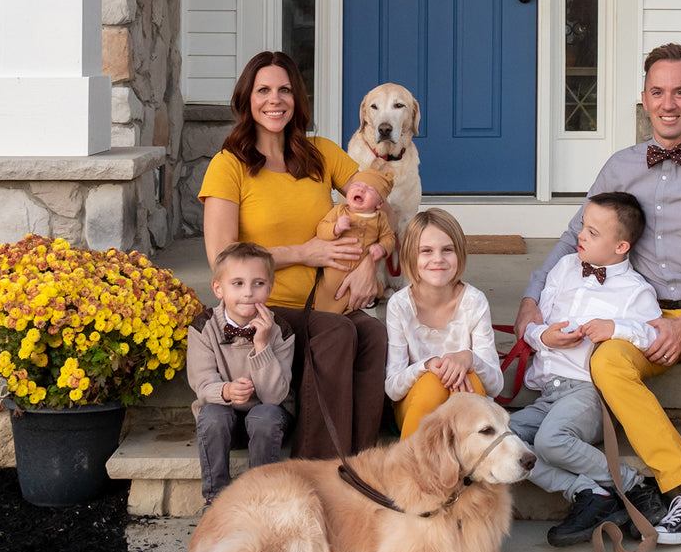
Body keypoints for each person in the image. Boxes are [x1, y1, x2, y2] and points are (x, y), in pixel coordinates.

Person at [514, 43, 681, 552]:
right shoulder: (620, 167)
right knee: (605, 361)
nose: (668, 103)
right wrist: (533, 296)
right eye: (657, 92)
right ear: (643, 100)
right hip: (639, 312)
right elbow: (571, 235)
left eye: (679, 92)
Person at [199, 50, 387, 459]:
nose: (275, 100)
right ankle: (316, 465)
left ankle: (363, 460)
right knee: (338, 334)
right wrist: (306, 251)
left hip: (322, 300)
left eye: (284, 90)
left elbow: (374, 200)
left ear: (297, 98)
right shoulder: (228, 165)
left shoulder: (319, 153)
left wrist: (371, 262)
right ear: (247, 99)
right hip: (265, 309)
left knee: (372, 333)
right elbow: (223, 257)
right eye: (263, 90)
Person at [510, 192, 667, 547]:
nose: (580, 235)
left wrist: (616, 328)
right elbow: (536, 326)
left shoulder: (634, 291)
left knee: (551, 441)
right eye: (583, 226)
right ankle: (585, 491)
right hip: (548, 392)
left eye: (593, 233)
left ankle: (632, 484)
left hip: (588, 394)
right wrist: (543, 336)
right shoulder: (564, 268)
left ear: (621, 246)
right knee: (499, 438)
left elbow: (654, 337)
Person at [186, 242, 294, 504]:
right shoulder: (204, 327)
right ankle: (216, 501)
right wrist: (225, 390)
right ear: (218, 288)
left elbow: (273, 396)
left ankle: (259, 500)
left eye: (258, 283)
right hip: (223, 422)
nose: (248, 293)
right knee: (212, 414)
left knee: (265, 415)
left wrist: (261, 345)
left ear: (270, 287)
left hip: (268, 424)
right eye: (237, 283)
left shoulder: (280, 330)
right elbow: (202, 381)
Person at [385, 209, 504, 439]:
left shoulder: (474, 301)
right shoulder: (399, 305)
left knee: (468, 376)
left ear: (459, 254)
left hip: (466, 412)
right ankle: (411, 466)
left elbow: (496, 386)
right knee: (433, 382)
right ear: (411, 256)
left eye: (447, 250)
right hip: (417, 409)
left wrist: (468, 358)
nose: (438, 258)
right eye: (426, 251)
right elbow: (392, 388)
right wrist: (427, 365)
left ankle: (468, 466)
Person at [313, 168, 396, 314]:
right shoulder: (339, 212)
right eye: (356, 185)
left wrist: (382, 248)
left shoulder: (380, 219)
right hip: (337, 269)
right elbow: (321, 229)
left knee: (367, 291)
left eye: (369, 189)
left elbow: (389, 237)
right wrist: (335, 228)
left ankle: (352, 309)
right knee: (329, 291)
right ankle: (325, 314)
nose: (361, 189)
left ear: (379, 203)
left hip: (361, 270)